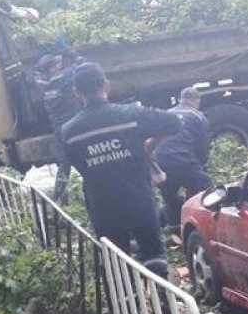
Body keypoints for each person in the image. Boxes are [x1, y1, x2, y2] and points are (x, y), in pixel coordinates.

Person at [62, 63, 182, 279]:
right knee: (154, 257)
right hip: (140, 202)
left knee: (118, 270)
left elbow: (76, 163)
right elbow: (175, 123)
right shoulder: (131, 115)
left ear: (77, 94)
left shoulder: (69, 132)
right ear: (106, 86)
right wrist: (150, 144)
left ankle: (129, 298)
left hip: (104, 209)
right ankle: (162, 297)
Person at [154, 87, 213, 231]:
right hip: (183, 159)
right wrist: (201, 167)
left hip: (160, 161)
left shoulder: (166, 113)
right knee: (207, 189)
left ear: (181, 99)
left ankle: (174, 228)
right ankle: (206, 224)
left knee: (170, 196)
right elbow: (202, 149)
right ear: (197, 101)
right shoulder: (198, 117)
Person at [35, 41, 86, 202]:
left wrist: (41, 53)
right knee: (85, 154)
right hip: (74, 123)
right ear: (52, 68)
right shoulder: (65, 77)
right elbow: (83, 65)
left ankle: (59, 196)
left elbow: (34, 73)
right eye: (56, 64)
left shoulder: (42, 83)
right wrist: (69, 51)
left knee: (64, 162)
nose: (60, 64)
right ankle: (95, 186)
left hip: (59, 127)